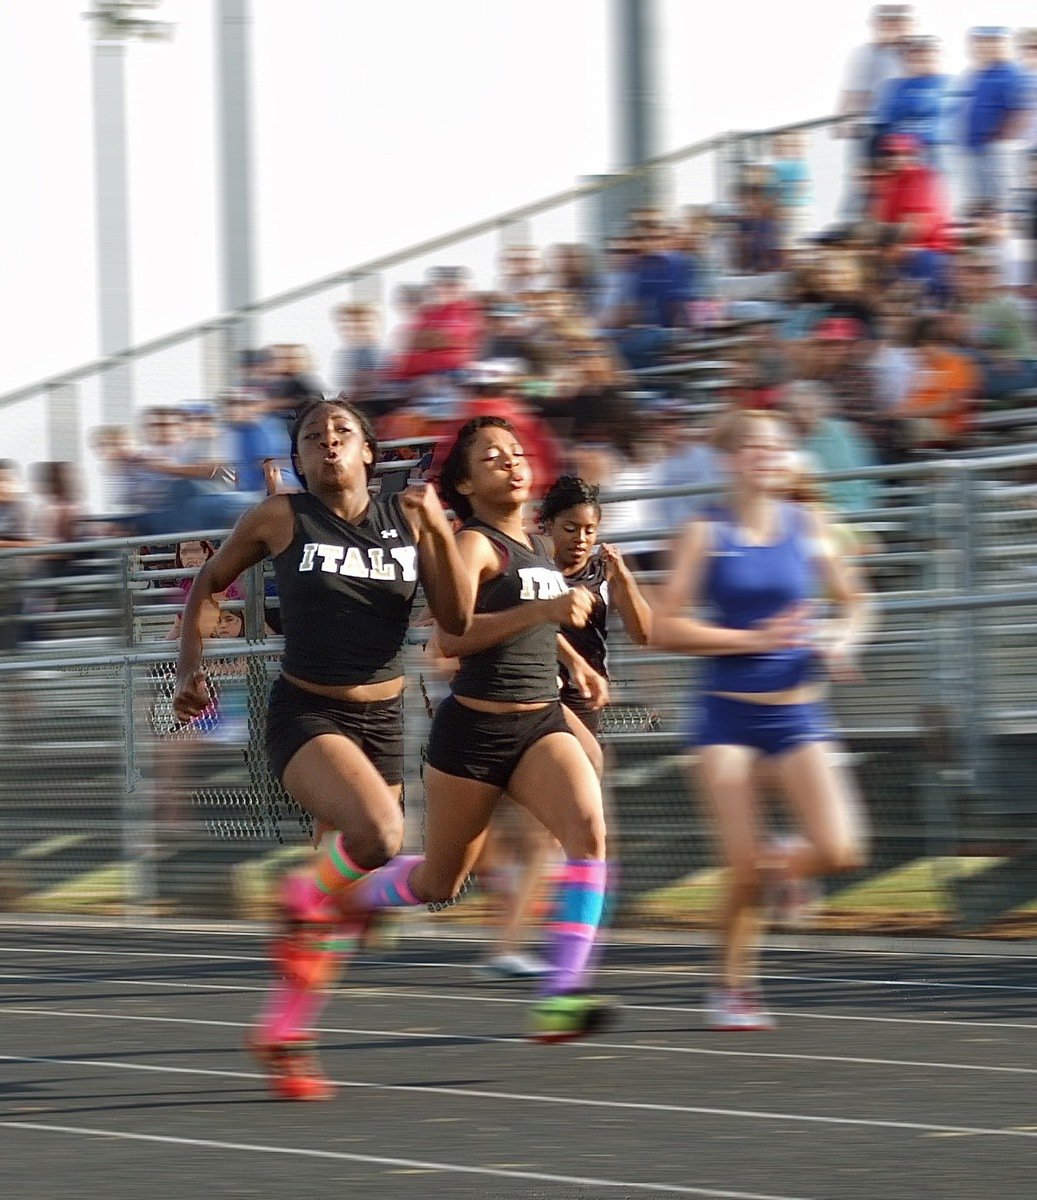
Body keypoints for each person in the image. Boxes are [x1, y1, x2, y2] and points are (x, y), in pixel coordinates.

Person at [172, 396, 471, 1100]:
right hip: (306, 714)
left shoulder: (409, 516)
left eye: (341, 432)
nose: (327, 441)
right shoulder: (283, 517)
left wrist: (435, 531)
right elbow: (208, 588)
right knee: (377, 836)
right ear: (299, 459)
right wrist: (189, 670)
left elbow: (455, 620)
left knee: (347, 901)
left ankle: (284, 1031)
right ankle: (297, 894)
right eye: (311, 436)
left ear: (369, 450)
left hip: (385, 718)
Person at [339, 416, 616, 1043]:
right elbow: (450, 638)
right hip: (474, 735)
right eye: (492, 457)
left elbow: (536, 626)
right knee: (441, 883)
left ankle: (562, 994)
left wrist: (573, 663)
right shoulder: (474, 545)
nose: (512, 462)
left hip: (540, 722)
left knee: (588, 832)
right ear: (464, 482)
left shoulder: (541, 548)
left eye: (516, 452)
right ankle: (354, 900)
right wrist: (546, 610)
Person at [652, 408, 869, 1030]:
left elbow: (857, 601)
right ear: (729, 458)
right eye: (751, 446)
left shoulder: (811, 524)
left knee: (842, 848)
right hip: (726, 717)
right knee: (741, 867)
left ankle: (782, 865)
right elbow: (665, 626)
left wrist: (843, 640)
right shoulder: (705, 531)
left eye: (776, 446)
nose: (765, 455)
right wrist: (752, 640)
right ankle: (731, 987)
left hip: (799, 713)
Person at [540, 475, 653, 738]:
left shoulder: (604, 572)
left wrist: (624, 577)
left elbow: (643, 635)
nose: (580, 538)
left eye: (589, 530)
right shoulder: (535, 567)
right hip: (537, 685)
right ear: (549, 525)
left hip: (584, 691)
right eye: (570, 528)